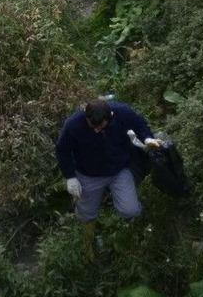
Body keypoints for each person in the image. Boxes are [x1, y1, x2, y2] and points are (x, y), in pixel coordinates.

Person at [55, 99, 161, 260]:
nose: (96, 130)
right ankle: (88, 245)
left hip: (119, 170)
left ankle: (132, 238)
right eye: (93, 126)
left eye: (100, 126)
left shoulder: (122, 112)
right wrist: (70, 177)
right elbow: (62, 150)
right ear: (86, 117)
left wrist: (147, 138)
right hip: (88, 175)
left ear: (110, 117)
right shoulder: (73, 124)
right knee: (86, 214)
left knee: (131, 210)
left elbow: (140, 124)